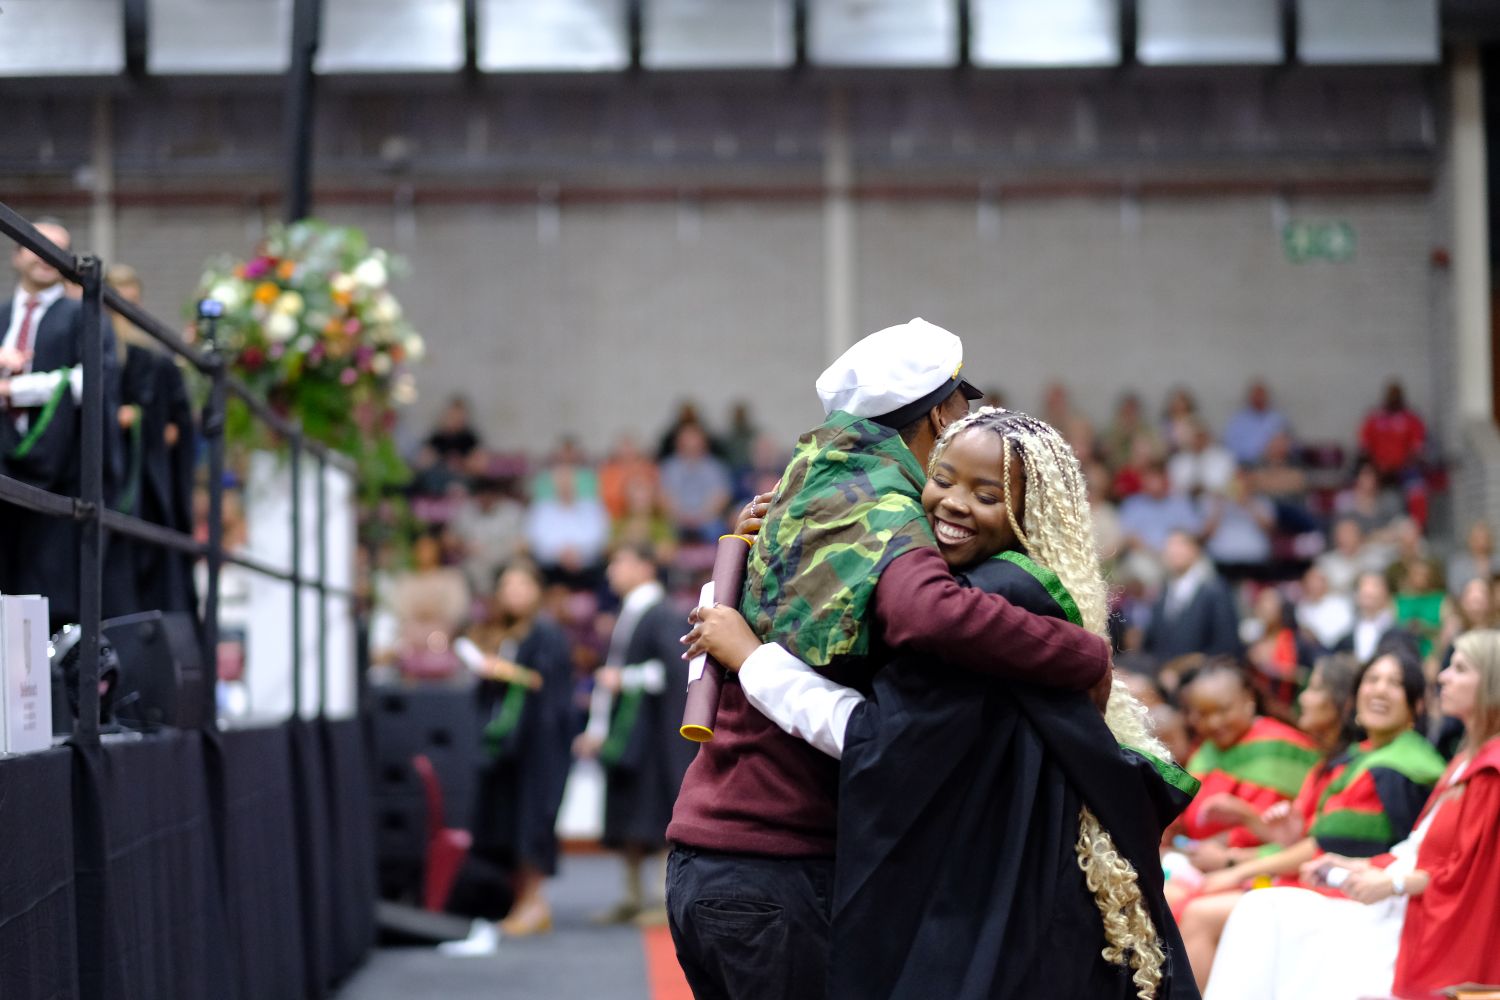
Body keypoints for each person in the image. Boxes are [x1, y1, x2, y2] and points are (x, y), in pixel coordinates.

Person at [664, 319, 1112, 1000]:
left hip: (718, 859)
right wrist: (1082, 653)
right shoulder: (881, 506)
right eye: (964, 407)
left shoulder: (805, 484)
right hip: (776, 865)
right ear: (940, 412)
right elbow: (931, 616)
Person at [1204, 629, 1500, 999]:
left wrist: (1389, 882)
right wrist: (1362, 865)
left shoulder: (1481, 771)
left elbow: (1469, 875)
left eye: (1459, 669)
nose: (1443, 676)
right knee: (1261, 912)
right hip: (1395, 893)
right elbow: (1414, 849)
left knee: (1264, 915)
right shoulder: (1460, 761)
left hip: (1426, 920)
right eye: (1372, 679)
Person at [1178, 647, 1444, 989]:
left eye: (1394, 683)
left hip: (1361, 896)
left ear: (1417, 705)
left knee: (1209, 912)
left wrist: (1235, 865)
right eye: (1373, 680)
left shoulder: (1393, 770)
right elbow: (1312, 839)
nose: (1304, 698)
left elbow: (1326, 847)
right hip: (1327, 880)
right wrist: (1266, 830)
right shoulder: (1359, 758)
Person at [0, 218, 121, 629]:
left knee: (50, 590)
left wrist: (14, 391)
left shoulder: (83, 316)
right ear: (18, 254)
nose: (45, 258)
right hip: (3, 468)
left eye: (57, 250)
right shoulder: (1, 316)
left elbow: (91, 381)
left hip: (59, 470)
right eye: (37, 246)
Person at [448, 562, 575, 947]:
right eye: (507, 584)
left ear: (538, 589)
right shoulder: (504, 633)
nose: (515, 591)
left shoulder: (547, 634)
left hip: (539, 747)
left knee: (531, 821)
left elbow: (546, 683)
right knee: (507, 821)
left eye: (522, 582)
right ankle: (522, 899)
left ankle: (535, 903)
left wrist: (501, 669)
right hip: (510, 749)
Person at [574, 543, 695, 927]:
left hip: (655, 736)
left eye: (621, 560)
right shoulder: (630, 612)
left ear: (645, 567)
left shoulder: (662, 614)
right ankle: (631, 895)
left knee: (656, 812)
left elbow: (675, 672)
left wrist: (623, 679)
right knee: (628, 811)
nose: (612, 569)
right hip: (630, 733)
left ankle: (662, 900)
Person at [1176, 660, 1320, 866]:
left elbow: (1277, 824)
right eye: (1202, 714)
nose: (1214, 722)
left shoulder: (1280, 745)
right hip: (1199, 860)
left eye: (1223, 710)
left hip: (1266, 864)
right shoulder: (1203, 752)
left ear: (1248, 700)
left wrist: (1219, 849)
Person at [1143, 532, 1243, 661]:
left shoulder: (1214, 590)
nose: (1174, 552)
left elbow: (1227, 643)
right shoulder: (1160, 594)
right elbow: (1152, 643)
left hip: (1205, 673)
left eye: (1180, 545)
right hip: (1162, 672)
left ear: (1195, 550)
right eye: (1170, 547)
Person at [1333, 570, 1402, 663]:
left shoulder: (1398, 632)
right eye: (1363, 586)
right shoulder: (1347, 634)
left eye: (1374, 586)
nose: (1367, 591)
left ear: (1386, 592)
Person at [1221, 380, 1289, 467]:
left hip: (1273, 465)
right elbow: (1230, 446)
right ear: (1250, 397)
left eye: (1261, 395)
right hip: (1245, 464)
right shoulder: (1238, 421)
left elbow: (1287, 442)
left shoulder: (1277, 419)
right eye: (1256, 395)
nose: (1259, 398)